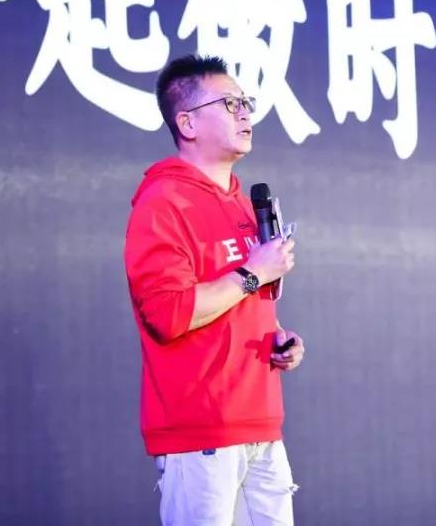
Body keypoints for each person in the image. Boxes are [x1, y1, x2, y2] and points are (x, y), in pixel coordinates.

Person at [124, 54, 306, 525]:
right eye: (229, 104)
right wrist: (252, 273)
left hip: (261, 422)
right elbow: (168, 314)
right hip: (202, 429)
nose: (245, 113)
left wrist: (277, 337)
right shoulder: (164, 202)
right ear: (187, 122)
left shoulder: (244, 204)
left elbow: (238, 298)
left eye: (245, 102)